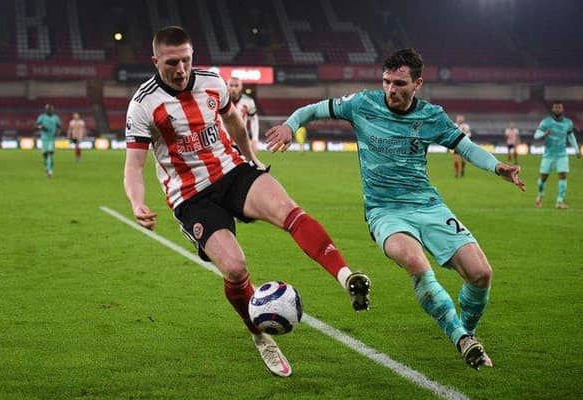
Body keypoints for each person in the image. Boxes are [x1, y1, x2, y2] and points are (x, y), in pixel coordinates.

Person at [123, 26, 370, 378]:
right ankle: (260, 336)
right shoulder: (143, 104)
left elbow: (233, 120)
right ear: (155, 60)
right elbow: (133, 165)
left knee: (290, 211)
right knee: (236, 269)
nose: (181, 70)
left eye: (187, 60)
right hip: (191, 197)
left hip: (232, 171)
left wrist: (250, 157)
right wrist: (137, 202)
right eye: (172, 62)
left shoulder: (212, 81)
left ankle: (347, 277)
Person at [266, 48, 525, 370]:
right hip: (384, 211)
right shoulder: (362, 104)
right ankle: (461, 338)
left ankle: (466, 329)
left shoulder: (432, 116)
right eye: (387, 81)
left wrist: (498, 166)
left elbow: (465, 146)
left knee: (481, 274)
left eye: (399, 83)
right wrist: (291, 125)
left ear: (417, 83)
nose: (391, 89)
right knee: (416, 262)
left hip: (428, 205)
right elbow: (314, 109)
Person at [534, 101, 581, 209]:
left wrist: (577, 150)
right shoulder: (546, 122)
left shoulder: (568, 123)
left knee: (563, 176)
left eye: (559, 107)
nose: (558, 109)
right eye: (556, 107)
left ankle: (559, 201)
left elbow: (571, 136)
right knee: (543, 178)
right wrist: (543, 134)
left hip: (562, 155)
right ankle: (540, 196)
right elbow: (536, 135)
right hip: (548, 155)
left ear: (562, 109)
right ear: (552, 109)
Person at [227, 76, 260, 153]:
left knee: (245, 163)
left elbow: (254, 120)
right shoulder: (221, 100)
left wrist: (255, 140)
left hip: (241, 139)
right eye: (231, 85)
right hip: (224, 139)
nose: (233, 88)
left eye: (236, 86)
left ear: (241, 87)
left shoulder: (248, 101)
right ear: (227, 86)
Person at [35, 104, 62, 178]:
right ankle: (47, 167)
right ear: (46, 110)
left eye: (51, 109)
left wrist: (58, 132)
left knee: (50, 153)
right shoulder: (42, 117)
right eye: (48, 109)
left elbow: (59, 126)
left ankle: (50, 171)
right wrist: (41, 127)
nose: (50, 110)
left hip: (52, 138)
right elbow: (36, 125)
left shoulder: (56, 117)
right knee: (45, 155)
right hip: (44, 138)